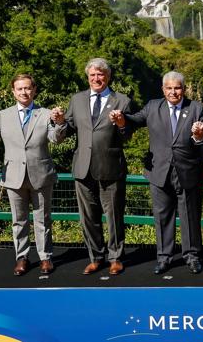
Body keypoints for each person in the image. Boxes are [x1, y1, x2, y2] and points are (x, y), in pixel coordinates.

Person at [0, 74, 66, 275]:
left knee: (42, 219)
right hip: (13, 176)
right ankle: (22, 257)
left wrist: (60, 123)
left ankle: (45, 258)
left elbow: (56, 139)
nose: (24, 92)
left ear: (34, 90)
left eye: (27, 88)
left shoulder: (45, 113)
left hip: (41, 175)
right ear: (13, 92)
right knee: (19, 220)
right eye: (19, 89)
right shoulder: (4, 115)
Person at [110, 71, 203, 275]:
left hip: (188, 171)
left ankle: (192, 256)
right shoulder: (153, 106)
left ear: (184, 88)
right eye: (169, 88)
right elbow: (134, 120)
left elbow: (201, 141)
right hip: (159, 171)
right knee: (162, 217)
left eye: (178, 88)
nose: (174, 92)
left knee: (190, 216)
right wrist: (121, 120)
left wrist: (199, 136)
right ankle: (164, 258)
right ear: (163, 90)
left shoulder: (196, 107)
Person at [61, 58, 132, 276]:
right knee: (88, 217)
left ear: (108, 77)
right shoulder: (77, 99)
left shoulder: (122, 100)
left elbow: (127, 134)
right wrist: (58, 121)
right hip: (83, 167)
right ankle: (95, 257)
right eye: (92, 75)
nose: (96, 78)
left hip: (111, 167)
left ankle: (115, 258)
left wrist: (121, 123)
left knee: (113, 216)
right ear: (87, 77)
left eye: (100, 75)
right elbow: (68, 128)